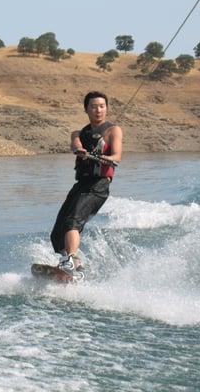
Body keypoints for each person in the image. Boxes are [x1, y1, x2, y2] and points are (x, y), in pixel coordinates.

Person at [50, 91, 123, 281]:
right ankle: (75, 266)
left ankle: (71, 261)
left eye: (101, 106)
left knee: (72, 221)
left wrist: (105, 158)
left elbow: (117, 156)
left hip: (99, 186)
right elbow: (75, 145)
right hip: (81, 185)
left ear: (106, 108)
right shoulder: (78, 133)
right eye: (93, 106)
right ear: (86, 109)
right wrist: (80, 150)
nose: (98, 110)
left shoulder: (113, 131)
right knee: (57, 234)